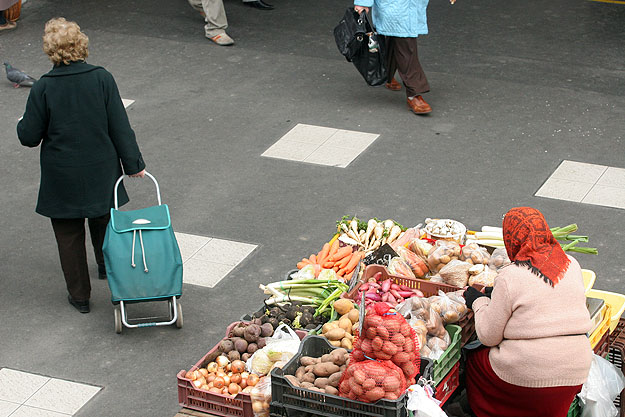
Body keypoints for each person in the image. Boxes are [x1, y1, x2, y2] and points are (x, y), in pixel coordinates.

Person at [17, 17, 146, 314]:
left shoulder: (44, 88)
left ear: (51, 50)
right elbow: (119, 126)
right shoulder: (102, 78)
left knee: (68, 235)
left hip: (61, 175)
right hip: (101, 170)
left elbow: (29, 137)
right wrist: (133, 164)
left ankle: (80, 296)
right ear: (81, 45)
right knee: (104, 223)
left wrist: (23, 123)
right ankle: (106, 269)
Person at [462, 207, 592, 417]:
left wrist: (478, 303)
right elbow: (542, 294)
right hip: (576, 371)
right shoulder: (572, 264)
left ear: (511, 238)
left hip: (530, 375)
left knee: (476, 362)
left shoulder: (511, 275)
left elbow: (488, 335)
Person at [354, 0, 456, 115]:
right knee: (406, 46)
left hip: (408, 7)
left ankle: (386, 74)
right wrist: (362, 2)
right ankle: (414, 93)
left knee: (395, 40)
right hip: (394, 7)